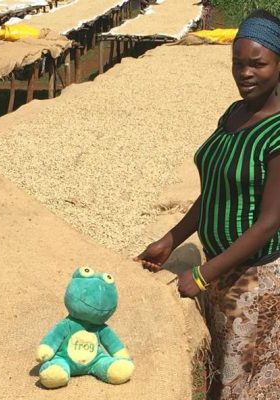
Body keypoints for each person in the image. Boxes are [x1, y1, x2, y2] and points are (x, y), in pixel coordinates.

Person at [134, 9, 280, 400]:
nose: (245, 73)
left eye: (258, 64)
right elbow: (215, 190)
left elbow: (269, 223)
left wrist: (202, 275)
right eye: (237, 64)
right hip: (219, 272)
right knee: (221, 373)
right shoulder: (235, 114)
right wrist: (170, 237)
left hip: (253, 283)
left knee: (244, 384)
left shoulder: (278, 132)